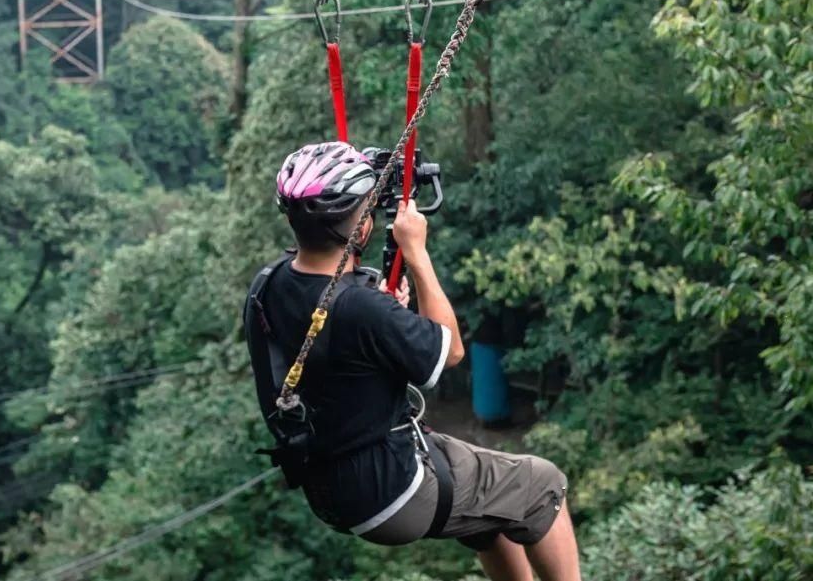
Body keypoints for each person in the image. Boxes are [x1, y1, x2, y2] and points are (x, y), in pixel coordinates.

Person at [243, 141, 582, 581]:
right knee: (543, 486)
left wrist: (388, 320)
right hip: (393, 489)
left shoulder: (266, 288)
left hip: (330, 486)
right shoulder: (363, 310)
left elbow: (338, 357)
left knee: (495, 514)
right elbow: (450, 352)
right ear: (361, 227)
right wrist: (416, 252)